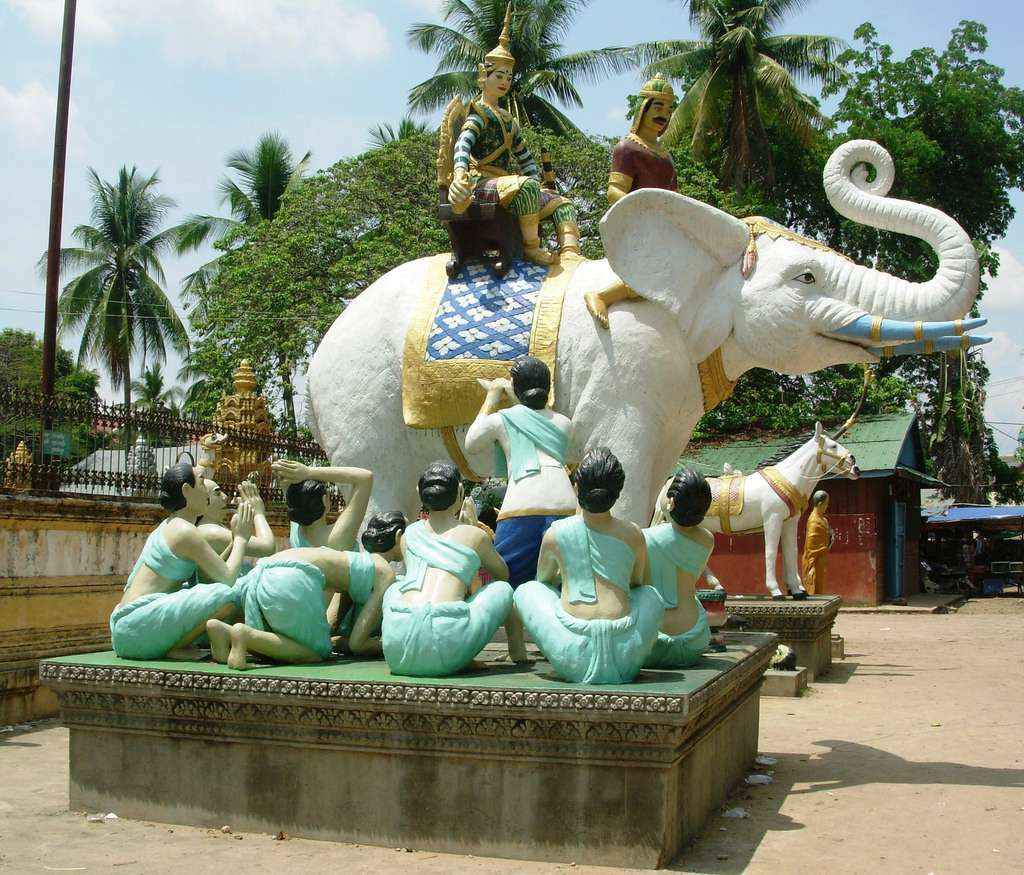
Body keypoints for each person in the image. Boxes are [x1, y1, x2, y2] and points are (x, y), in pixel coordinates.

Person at [513, 447, 664, 684]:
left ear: (577, 488)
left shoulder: (556, 534)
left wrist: (570, 572)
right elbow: (637, 585)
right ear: (618, 493)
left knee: (528, 590)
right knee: (650, 594)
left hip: (571, 652)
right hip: (626, 652)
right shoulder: (634, 534)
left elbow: (543, 582)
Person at [447, 4, 581, 265]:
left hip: (506, 184)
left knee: (561, 202)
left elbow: (526, 159)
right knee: (527, 186)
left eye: (508, 77)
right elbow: (463, 145)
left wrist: (539, 187)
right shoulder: (479, 114)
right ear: (483, 75)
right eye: (499, 75)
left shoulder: (509, 120)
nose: (505, 82)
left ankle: (570, 253)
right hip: (480, 184)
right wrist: (460, 174)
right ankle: (531, 248)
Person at [465, 356, 575, 662]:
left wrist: (492, 396)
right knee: (561, 578)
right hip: (564, 502)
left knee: (510, 578)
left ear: (516, 386)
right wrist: (514, 395)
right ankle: (558, 644)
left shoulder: (503, 419)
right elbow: (532, 420)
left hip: (523, 502)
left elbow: (472, 442)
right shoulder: (564, 422)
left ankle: (517, 647)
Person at [109, 463, 255, 660]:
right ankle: (174, 647)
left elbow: (210, 574)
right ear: (186, 490)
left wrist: (234, 541)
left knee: (211, 593)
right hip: (136, 626)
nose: (206, 492)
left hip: (126, 626)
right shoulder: (184, 531)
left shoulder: (168, 525)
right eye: (202, 483)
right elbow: (227, 578)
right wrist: (241, 538)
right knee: (225, 595)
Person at [381, 461, 513, 677]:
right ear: (460, 492)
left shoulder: (408, 535)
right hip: (446, 647)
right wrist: (472, 534)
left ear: (419, 492)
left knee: (397, 587)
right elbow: (502, 574)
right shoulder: (474, 535)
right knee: (503, 589)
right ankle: (515, 651)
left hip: (396, 648)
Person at [206, 525, 402, 669]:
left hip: (265, 571)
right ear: (398, 536)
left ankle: (225, 632)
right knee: (315, 653)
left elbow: (331, 625)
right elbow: (357, 644)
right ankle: (244, 635)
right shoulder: (385, 572)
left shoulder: (357, 562)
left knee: (283, 647)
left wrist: (332, 639)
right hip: (291, 576)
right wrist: (393, 643)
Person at [587, 74, 679, 328]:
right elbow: (614, 191)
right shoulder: (627, 148)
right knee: (656, 273)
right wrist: (644, 210)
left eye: (668, 109)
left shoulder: (666, 156)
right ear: (643, 108)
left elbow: (675, 198)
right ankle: (602, 296)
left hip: (666, 226)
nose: (663, 114)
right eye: (658, 107)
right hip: (638, 226)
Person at [271, 460, 374, 631]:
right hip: (346, 623)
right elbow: (365, 477)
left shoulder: (297, 532)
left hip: (307, 615)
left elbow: (293, 496)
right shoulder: (337, 537)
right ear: (325, 500)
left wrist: (290, 476)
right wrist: (309, 472)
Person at [642, 469, 715, 668]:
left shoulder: (645, 538)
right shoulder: (707, 540)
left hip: (651, 643)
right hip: (696, 639)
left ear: (672, 502)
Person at [801, 490, 833, 595]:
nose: (827, 506)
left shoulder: (823, 520)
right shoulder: (814, 521)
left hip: (821, 560)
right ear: (820, 504)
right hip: (813, 562)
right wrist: (811, 568)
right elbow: (811, 550)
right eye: (826, 503)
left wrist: (830, 538)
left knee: (819, 589)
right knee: (813, 590)